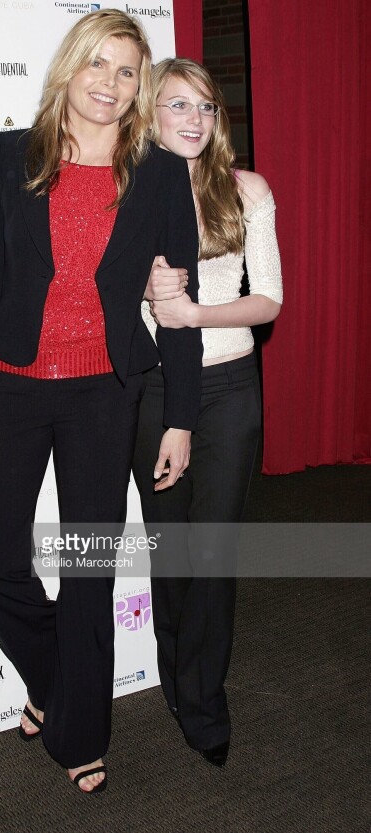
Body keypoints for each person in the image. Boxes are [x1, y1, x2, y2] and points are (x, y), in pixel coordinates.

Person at [0, 13, 202, 793]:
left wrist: (179, 415)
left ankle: (80, 730)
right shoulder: (13, 154)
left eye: (127, 72)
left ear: (138, 86)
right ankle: (59, 683)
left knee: (87, 571)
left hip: (102, 394)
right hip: (8, 385)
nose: (110, 84)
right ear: (71, 67)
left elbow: (175, 308)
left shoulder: (157, 173)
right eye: (99, 64)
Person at [132, 58, 282, 767]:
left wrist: (193, 311)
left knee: (214, 551)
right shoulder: (125, 194)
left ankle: (204, 698)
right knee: (172, 551)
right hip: (155, 394)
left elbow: (270, 301)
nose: (194, 120)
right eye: (177, 106)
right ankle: (175, 675)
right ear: (151, 115)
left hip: (230, 391)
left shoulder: (245, 190)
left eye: (206, 107)